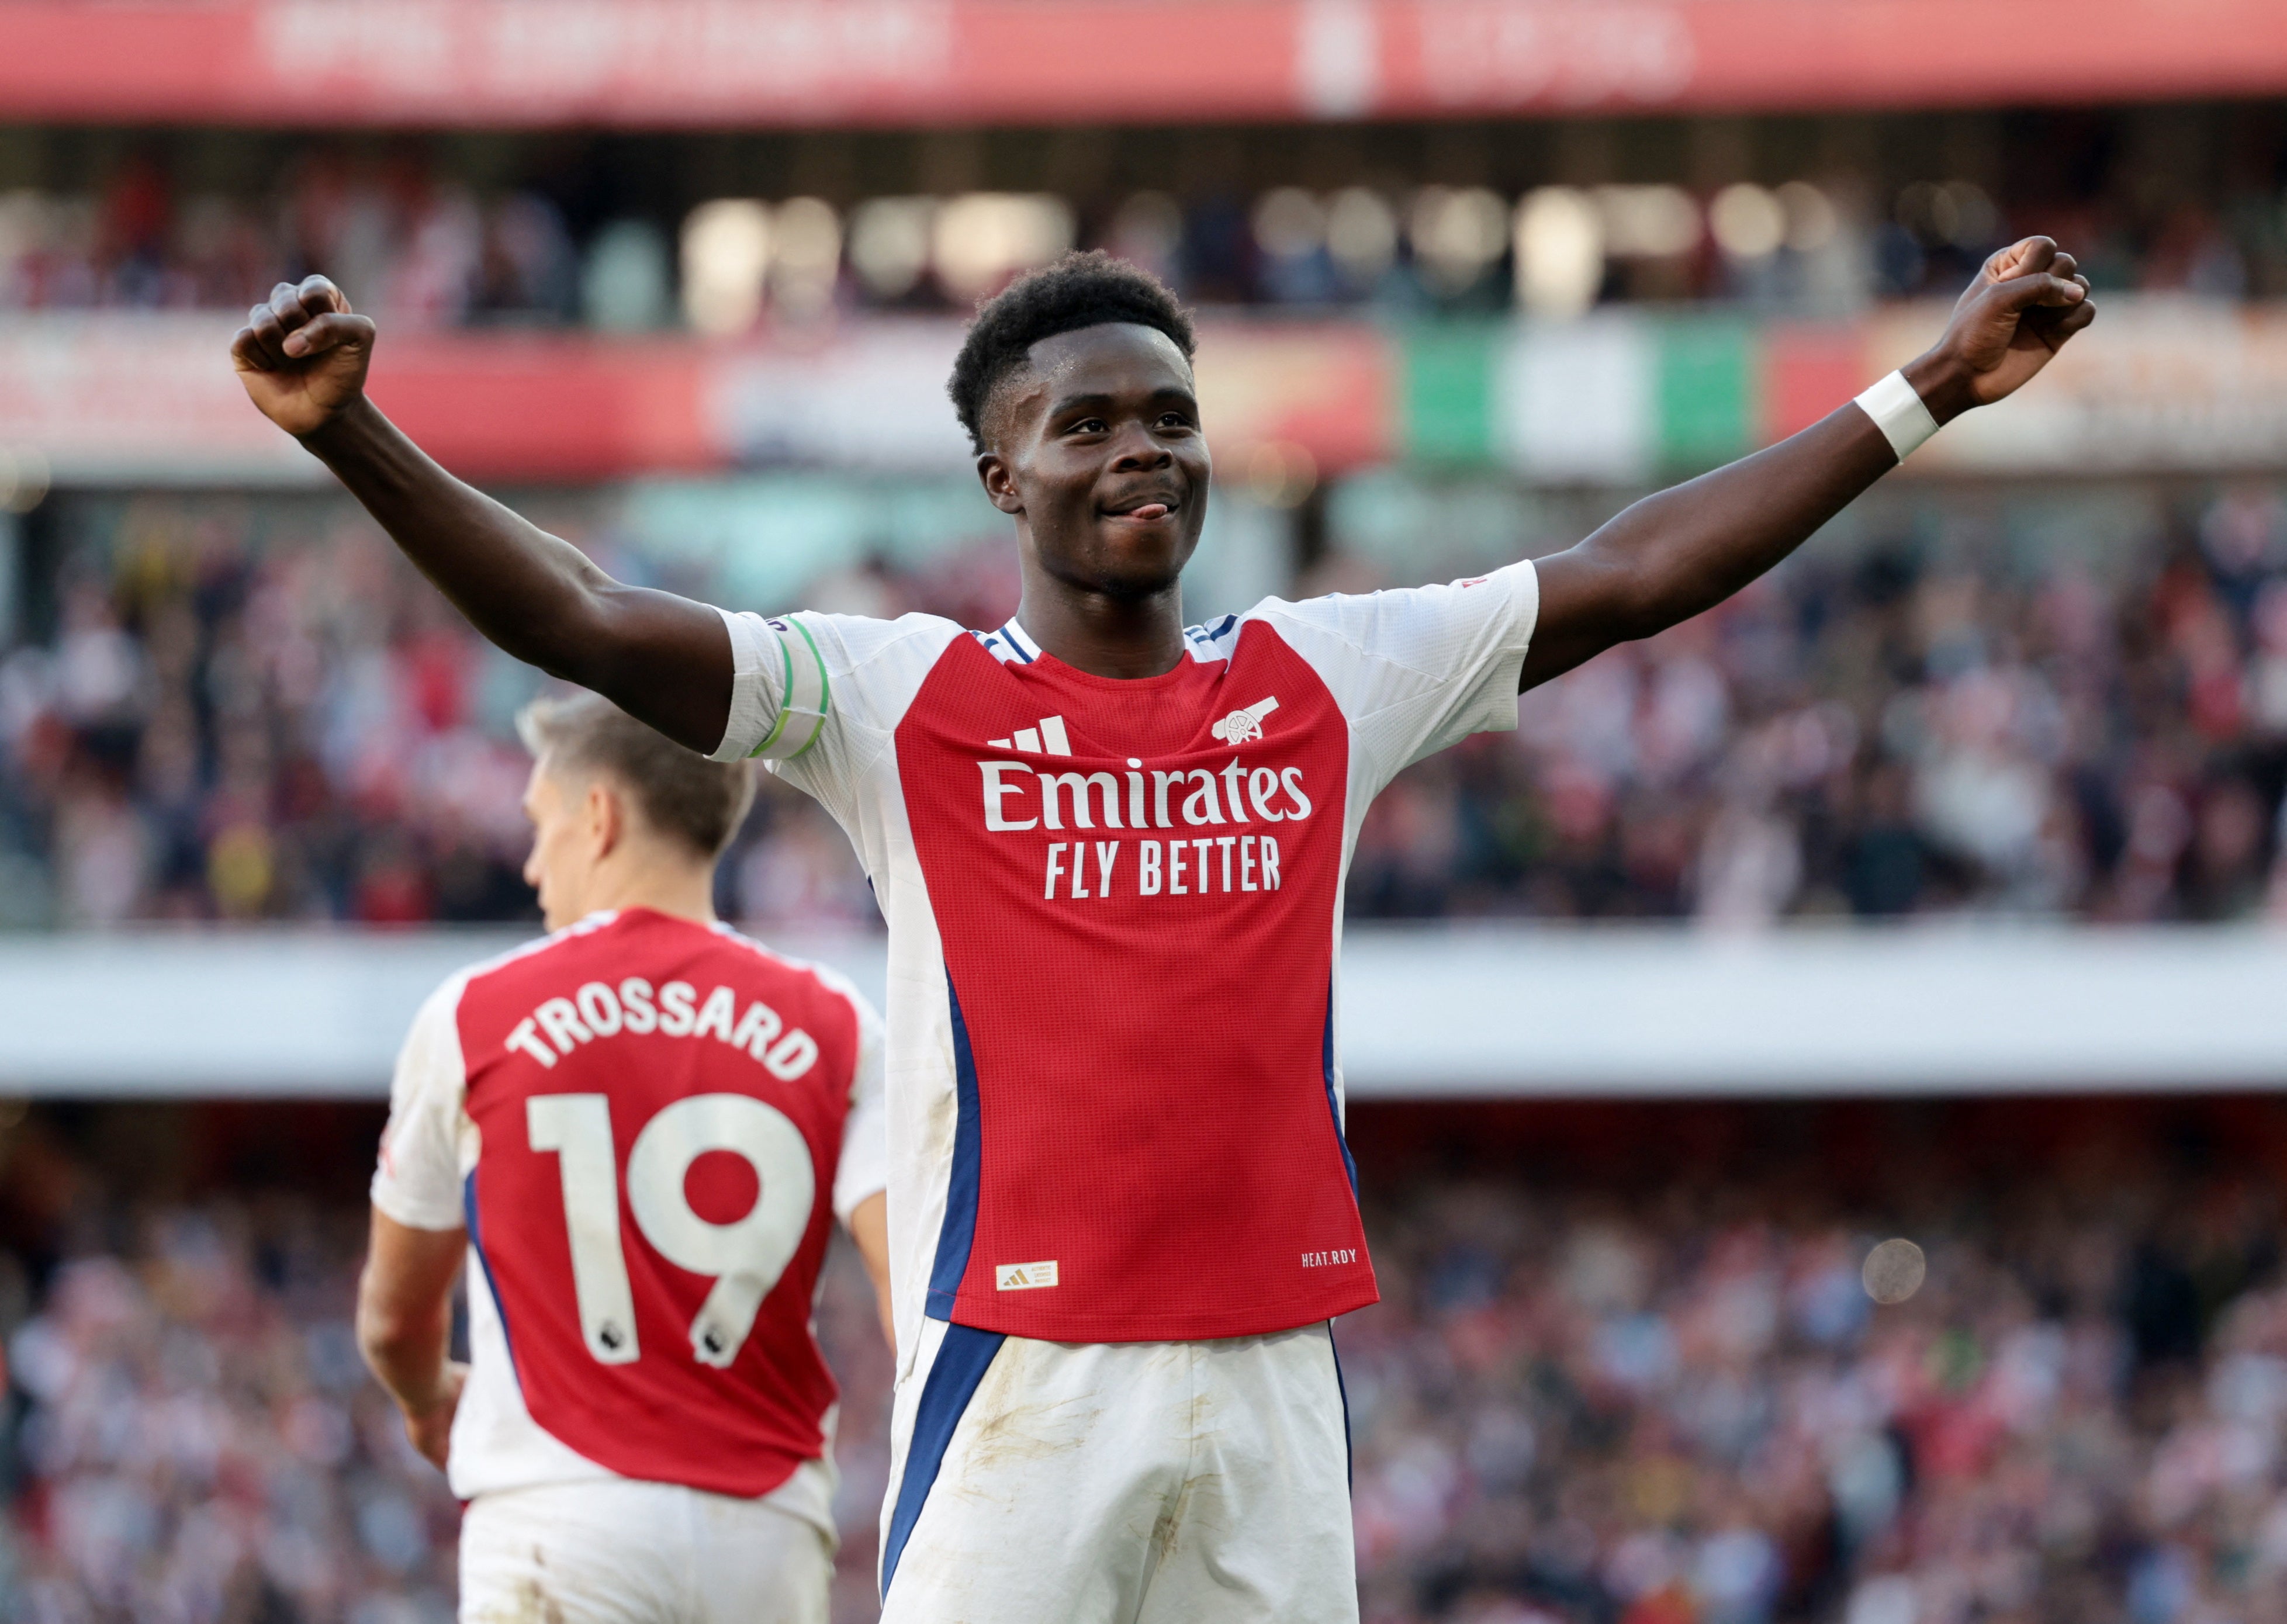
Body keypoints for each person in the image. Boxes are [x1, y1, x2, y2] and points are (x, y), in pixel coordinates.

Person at [240, 238, 2093, 1623]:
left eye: (1171, 417)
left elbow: (1629, 571)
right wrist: (355, 438)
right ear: (999, 479)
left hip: (1272, 1370)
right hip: (1022, 1369)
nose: (1143, 450)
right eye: (1086, 423)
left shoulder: (1326, 673)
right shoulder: (895, 698)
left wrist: (1919, 386)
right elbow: (580, 613)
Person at [355, 691, 893, 1624]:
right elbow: (911, 1290)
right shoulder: (838, 1024)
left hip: (559, 1520)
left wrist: (425, 1397)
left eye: (539, 822)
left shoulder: (476, 1015)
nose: (530, 863)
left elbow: (394, 1321)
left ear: (595, 816)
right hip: (765, 1530)